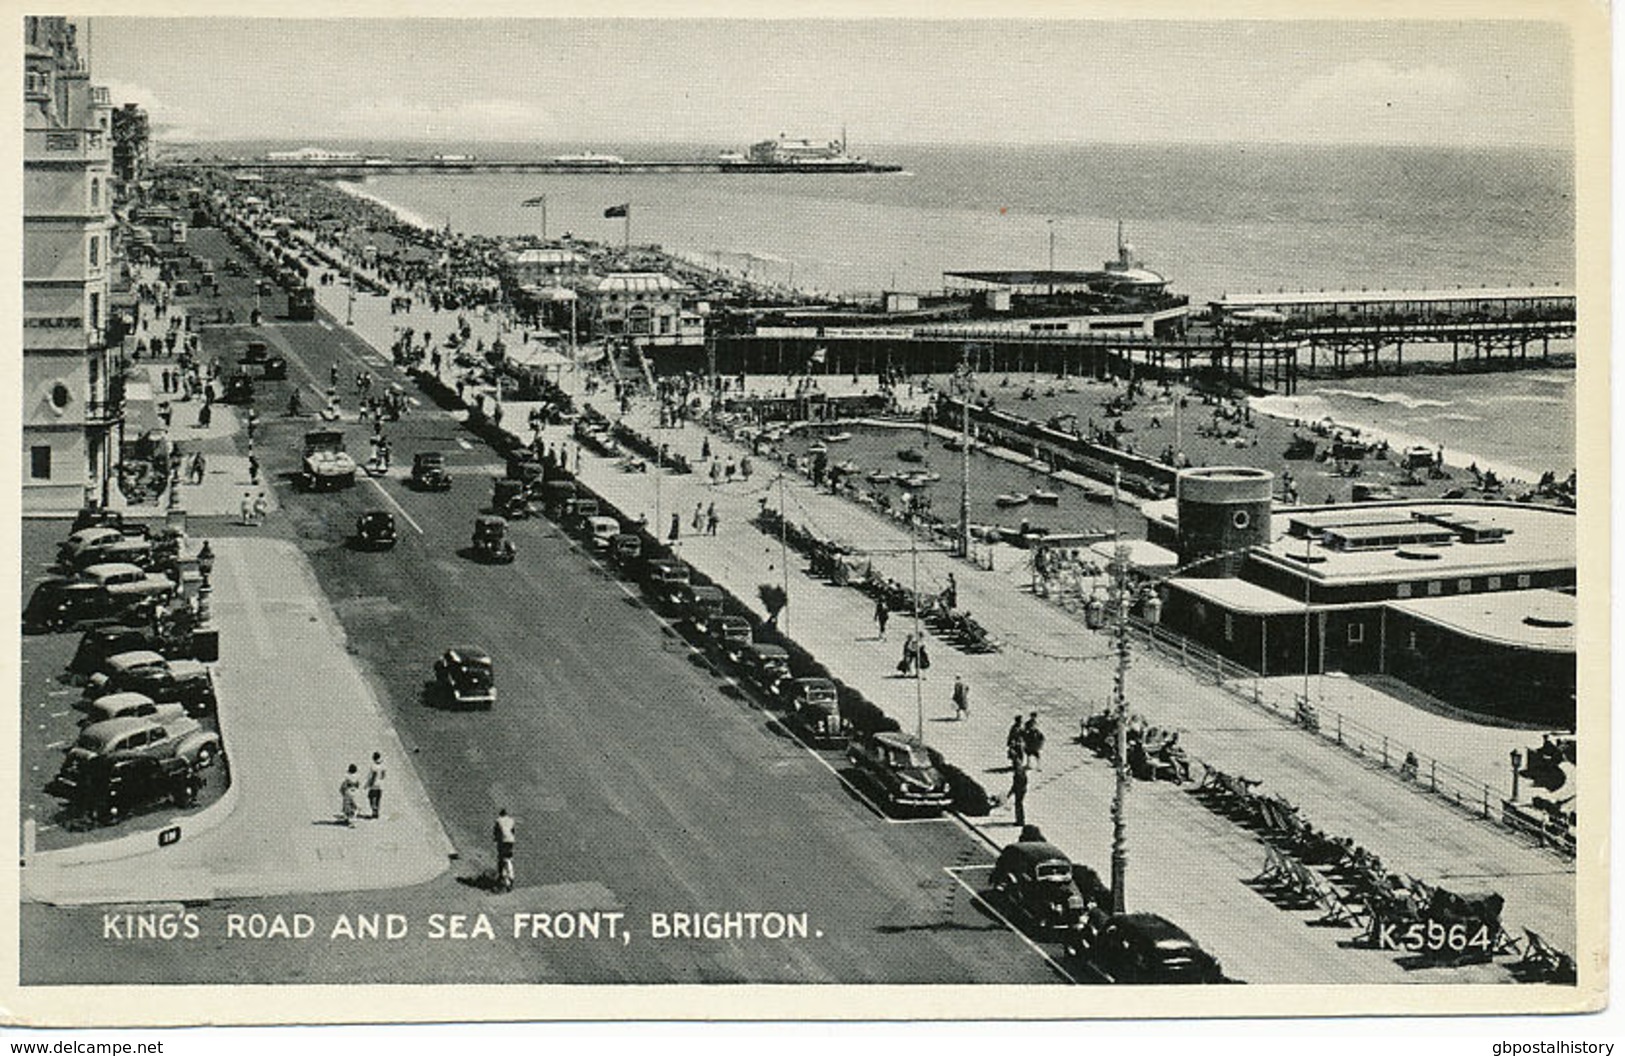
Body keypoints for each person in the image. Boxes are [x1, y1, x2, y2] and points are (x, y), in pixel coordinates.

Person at [493, 808, 516, 892]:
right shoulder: (511, 820)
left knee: (501, 859)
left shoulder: (498, 820)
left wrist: (496, 838)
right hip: (511, 841)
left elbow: (496, 832)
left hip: (502, 841)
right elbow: (513, 831)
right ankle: (511, 876)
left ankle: (503, 878)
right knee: (509, 857)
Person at [366, 751, 387, 819]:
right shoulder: (383, 765)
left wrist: (369, 784)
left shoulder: (374, 766)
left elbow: (373, 776)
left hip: (374, 784)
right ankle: (377, 812)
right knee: (378, 799)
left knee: (370, 797)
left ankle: (373, 809)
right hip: (381, 784)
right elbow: (383, 775)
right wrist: (381, 779)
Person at [1009, 759, 1029, 829]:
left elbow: (1016, 783)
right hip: (1021, 789)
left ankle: (1020, 821)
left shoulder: (1018, 772)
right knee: (1019, 804)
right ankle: (1020, 820)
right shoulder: (1021, 770)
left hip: (1019, 790)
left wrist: (1011, 792)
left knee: (1018, 804)